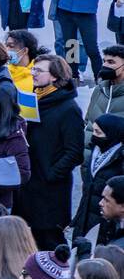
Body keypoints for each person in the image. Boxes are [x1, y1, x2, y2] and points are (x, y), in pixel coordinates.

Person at [15, 55, 83, 248]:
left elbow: (74, 152)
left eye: (38, 70)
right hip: (28, 183)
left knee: (49, 244)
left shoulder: (69, 109)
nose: (32, 73)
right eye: (33, 69)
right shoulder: (33, 99)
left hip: (49, 191)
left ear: (54, 76)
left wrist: (50, 174)